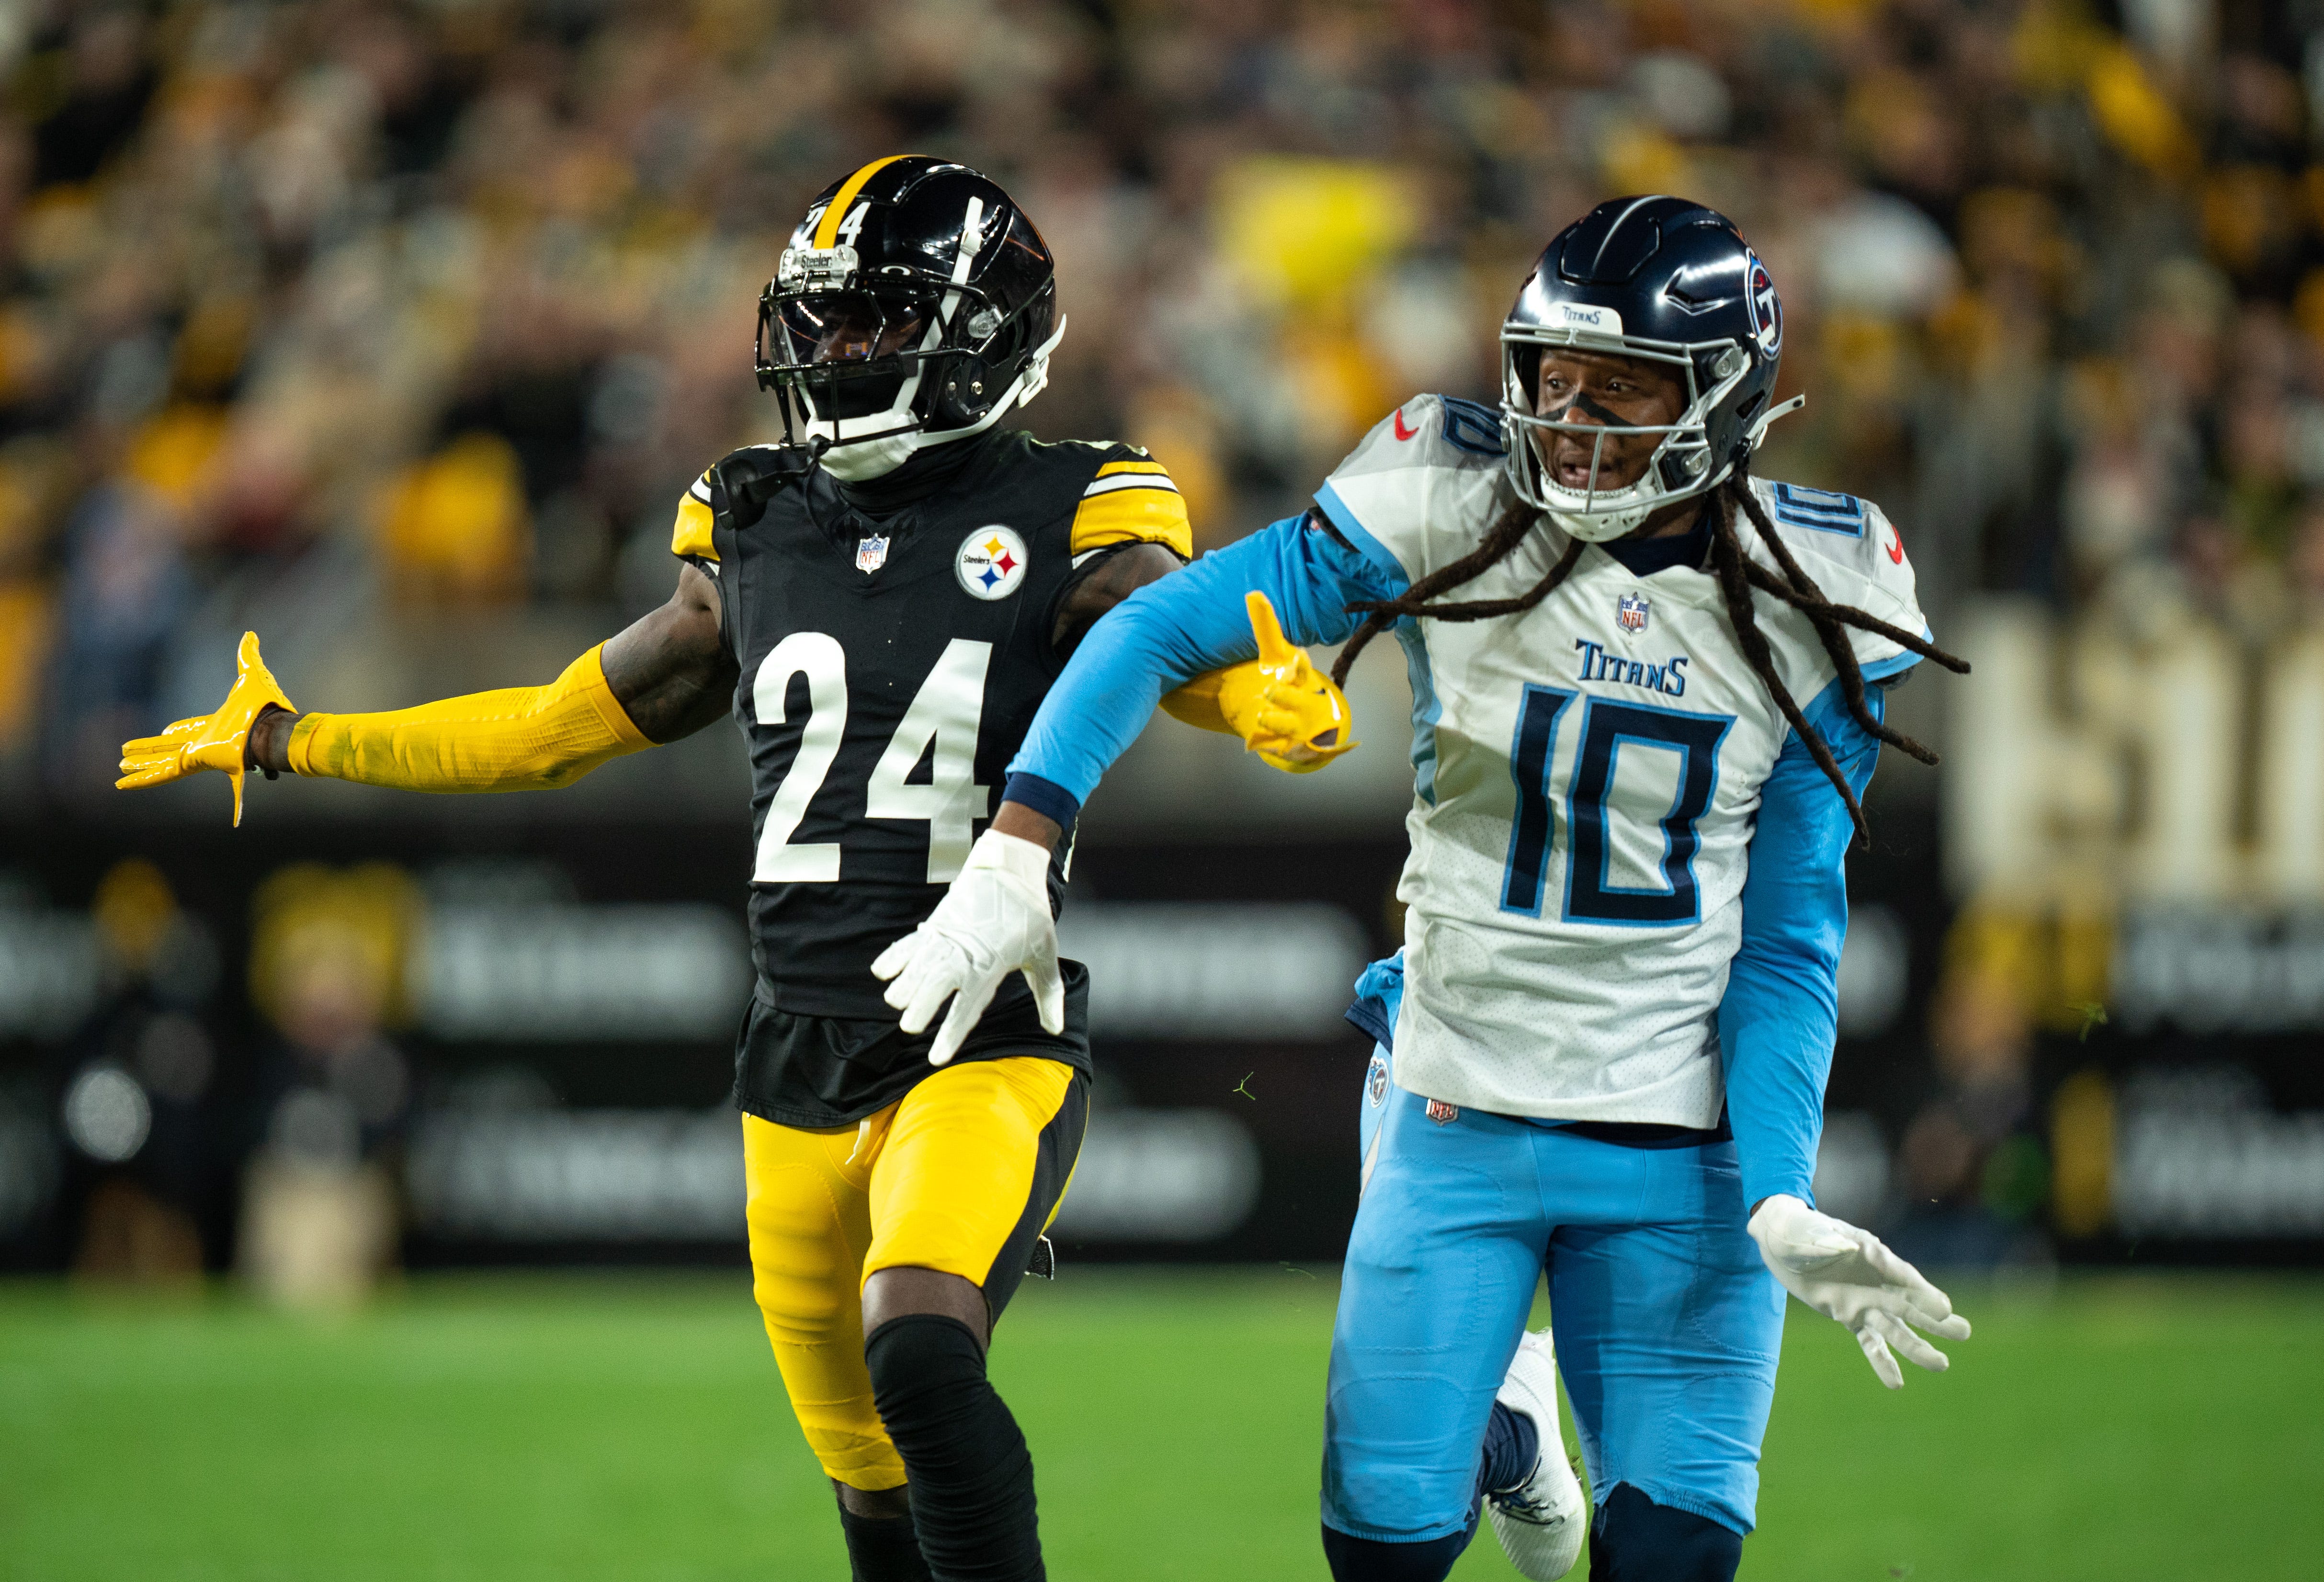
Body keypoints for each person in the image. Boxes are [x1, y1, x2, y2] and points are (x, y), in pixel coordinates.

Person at [115, 155, 1283, 1582]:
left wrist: (1255, 687)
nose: (835, 352)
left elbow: (1161, 639)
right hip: (792, 1059)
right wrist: (300, 742)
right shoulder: (754, 511)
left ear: (986, 335)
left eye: (877, 321)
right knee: (866, 1484)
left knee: (920, 1348)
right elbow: (553, 730)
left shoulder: (1084, 500)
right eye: (826, 321)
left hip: (987, 1035)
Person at [872, 197, 1976, 1582]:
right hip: (1461, 1104)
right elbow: (1161, 623)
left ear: (1726, 399)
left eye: (1622, 387)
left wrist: (1776, 1196)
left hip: (1679, 1143)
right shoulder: (1450, 493)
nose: (1571, 421)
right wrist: (1020, 844)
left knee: (1674, 1558)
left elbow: (1789, 940)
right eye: (1551, 378)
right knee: (1383, 1552)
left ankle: (1527, 1423)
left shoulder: (1827, 583)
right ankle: (1507, 1439)